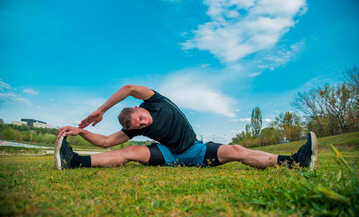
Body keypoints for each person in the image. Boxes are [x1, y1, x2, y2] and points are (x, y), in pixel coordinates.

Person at [55, 85, 318, 170]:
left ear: (139, 107)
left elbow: (128, 88)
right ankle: (73, 161)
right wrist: (81, 131)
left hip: (195, 150)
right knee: (129, 153)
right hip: (168, 153)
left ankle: (295, 162)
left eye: (142, 119)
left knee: (237, 149)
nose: (145, 123)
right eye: (140, 126)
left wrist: (101, 110)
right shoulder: (135, 129)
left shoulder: (155, 100)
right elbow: (106, 142)